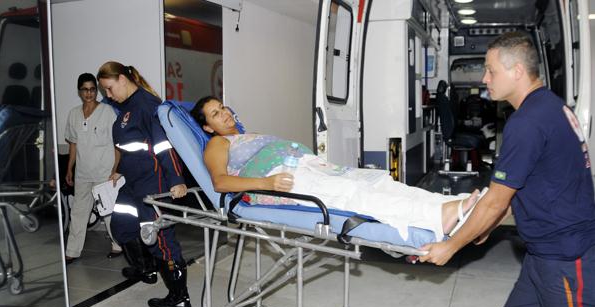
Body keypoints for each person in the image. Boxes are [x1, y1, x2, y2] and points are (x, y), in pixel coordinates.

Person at [420, 32, 595, 307]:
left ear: (516, 71)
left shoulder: (528, 122)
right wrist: (487, 224)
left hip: (566, 261)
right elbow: (535, 187)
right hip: (543, 256)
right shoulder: (551, 107)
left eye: (490, 70)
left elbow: (496, 201)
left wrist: (451, 245)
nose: (485, 79)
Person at [191, 96, 481, 242]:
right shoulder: (217, 144)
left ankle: (450, 205)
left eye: (223, 107)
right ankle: (435, 217)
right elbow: (220, 183)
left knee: (377, 182)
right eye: (215, 114)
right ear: (208, 127)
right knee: (351, 193)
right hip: (283, 179)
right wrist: (266, 184)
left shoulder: (246, 135)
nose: (224, 114)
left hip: (308, 167)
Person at [97, 61, 190, 307]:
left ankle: (179, 296)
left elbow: (164, 146)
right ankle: (146, 269)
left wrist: (177, 179)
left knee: (161, 240)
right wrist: (119, 168)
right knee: (121, 225)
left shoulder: (147, 105)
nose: (108, 95)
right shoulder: (127, 107)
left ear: (122, 79)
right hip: (132, 183)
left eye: (109, 88)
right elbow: (132, 146)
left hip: (154, 184)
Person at [63, 73, 122, 264]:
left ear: (97, 90)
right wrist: (69, 168)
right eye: (85, 90)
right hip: (82, 173)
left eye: (92, 89)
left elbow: (117, 143)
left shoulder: (108, 112)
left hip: (104, 172)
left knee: (108, 212)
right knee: (78, 211)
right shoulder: (73, 114)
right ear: (79, 91)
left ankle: (117, 245)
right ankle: (72, 250)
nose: (89, 93)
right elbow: (73, 144)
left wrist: (115, 169)